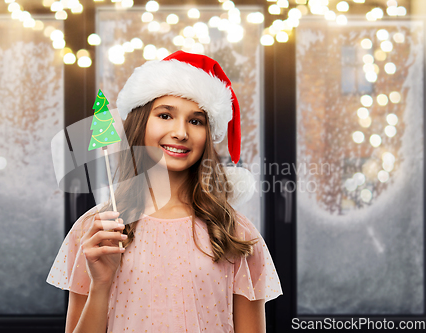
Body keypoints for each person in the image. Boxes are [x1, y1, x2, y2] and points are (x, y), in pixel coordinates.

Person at [46, 50, 282, 333]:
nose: (181, 132)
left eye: (196, 121)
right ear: (140, 122)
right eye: (165, 115)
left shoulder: (234, 232)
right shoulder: (97, 230)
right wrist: (100, 285)